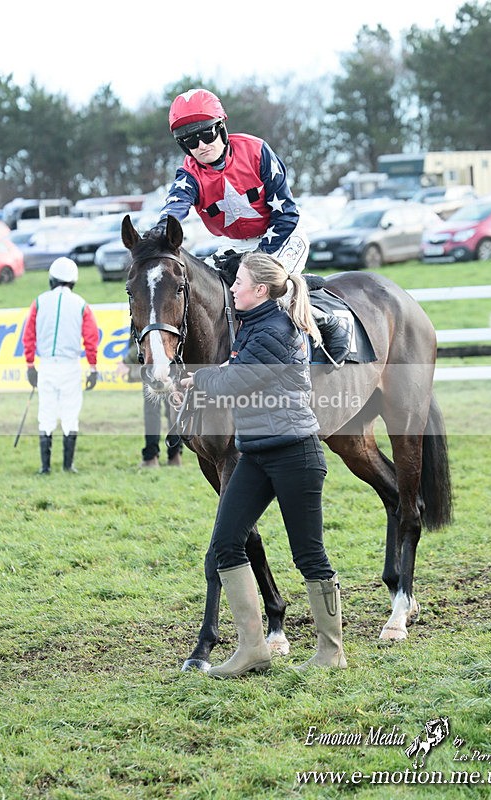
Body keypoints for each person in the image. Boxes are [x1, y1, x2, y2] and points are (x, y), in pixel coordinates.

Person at [180, 251, 347, 678]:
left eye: (238, 282)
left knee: (308, 555)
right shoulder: (253, 325)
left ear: (260, 291)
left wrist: (196, 379)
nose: (231, 287)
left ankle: (331, 650)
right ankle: (252, 649)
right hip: (255, 452)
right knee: (225, 544)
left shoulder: (274, 329)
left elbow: (236, 380)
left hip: (295, 455)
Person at [151, 87, 350, 363]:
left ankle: (325, 322)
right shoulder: (189, 173)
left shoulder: (257, 151)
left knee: (263, 290)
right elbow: (176, 205)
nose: (200, 146)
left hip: (282, 235)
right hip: (235, 245)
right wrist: (161, 231)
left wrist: (257, 259)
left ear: (221, 127)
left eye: (206, 134)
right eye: (189, 141)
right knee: (210, 291)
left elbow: (287, 214)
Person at [22, 257, 99, 474]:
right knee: (70, 413)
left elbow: (28, 336)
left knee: (46, 412)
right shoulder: (81, 304)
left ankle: (45, 467)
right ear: (73, 280)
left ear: (52, 279)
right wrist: (93, 368)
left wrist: (30, 365)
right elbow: (91, 339)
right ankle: (68, 465)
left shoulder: (39, 301)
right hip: (70, 366)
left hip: (46, 365)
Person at [117, 336, 183, 468]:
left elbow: (143, 340)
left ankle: (151, 457)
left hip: (153, 365)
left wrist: (127, 361)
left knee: (152, 411)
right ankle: (175, 455)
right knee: (173, 408)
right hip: (173, 363)